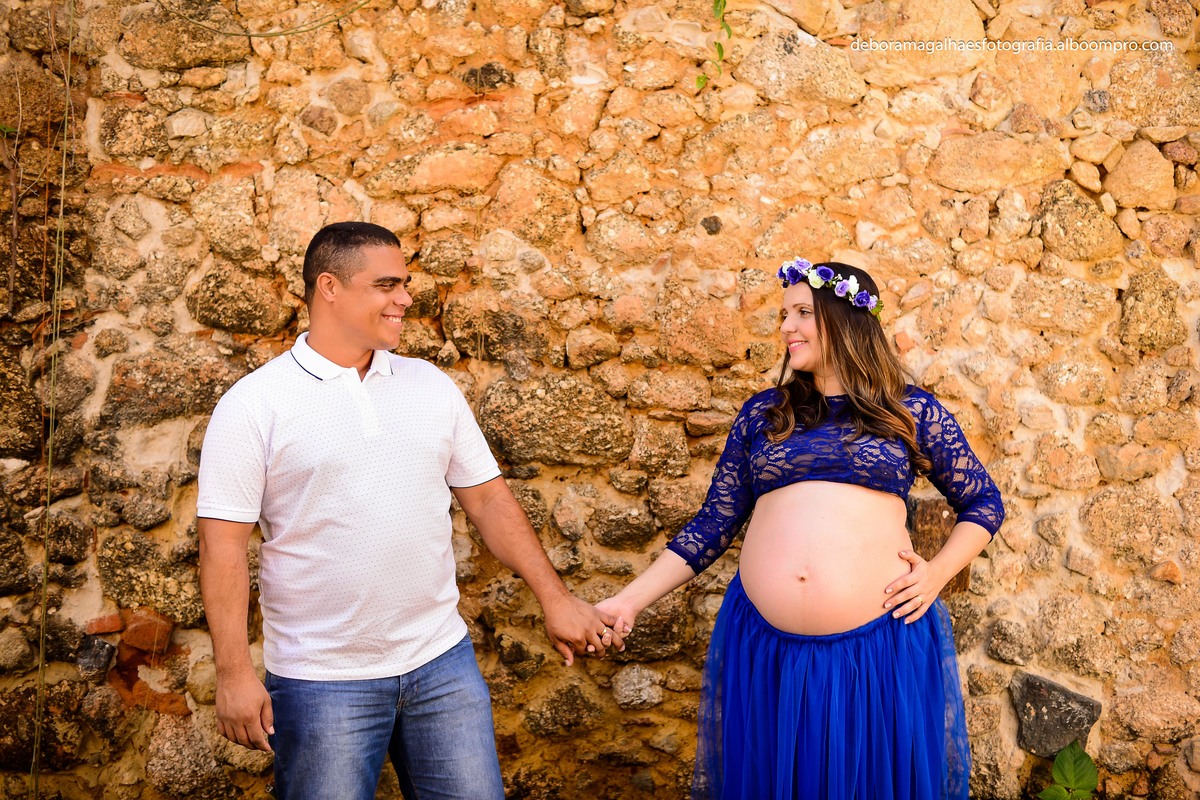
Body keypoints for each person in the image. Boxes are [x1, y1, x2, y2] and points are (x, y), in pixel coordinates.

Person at [197, 221, 620, 800]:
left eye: (405, 283)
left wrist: (555, 597)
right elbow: (223, 546)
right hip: (322, 680)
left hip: (441, 663)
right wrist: (233, 674)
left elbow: (490, 498)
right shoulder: (254, 405)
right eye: (386, 285)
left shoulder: (431, 386)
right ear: (330, 287)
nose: (405, 298)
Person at [597, 259, 1004, 800]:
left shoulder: (910, 411)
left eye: (802, 313)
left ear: (846, 319)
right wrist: (628, 602)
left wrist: (936, 575)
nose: (786, 327)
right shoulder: (764, 415)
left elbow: (983, 502)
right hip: (767, 650)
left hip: (877, 650)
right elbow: (713, 525)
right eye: (783, 315)